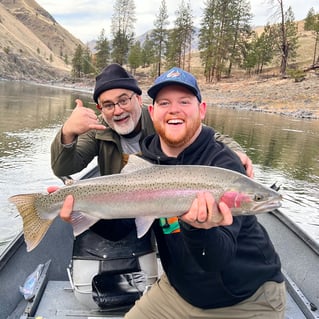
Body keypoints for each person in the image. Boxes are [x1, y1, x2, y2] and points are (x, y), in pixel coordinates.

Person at [56, 66, 286, 319]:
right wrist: (84, 214)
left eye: (184, 101)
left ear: (202, 110)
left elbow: (215, 261)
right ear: (152, 112)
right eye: (165, 102)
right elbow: (122, 229)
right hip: (178, 292)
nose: (174, 109)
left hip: (245, 299)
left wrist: (199, 229)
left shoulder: (223, 165)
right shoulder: (144, 162)